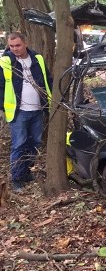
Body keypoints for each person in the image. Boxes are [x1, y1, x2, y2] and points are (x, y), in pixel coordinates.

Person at [0, 32, 52, 192]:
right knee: (19, 144)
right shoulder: (6, 61)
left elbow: (47, 79)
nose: (15, 49)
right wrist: (3, 106)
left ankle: (26, 171)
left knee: (35, 143)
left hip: (38, 109)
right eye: (12, 46)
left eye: (18, 45)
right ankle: (17, 178)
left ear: (25, 43)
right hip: (18, 112)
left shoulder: (37, 59)